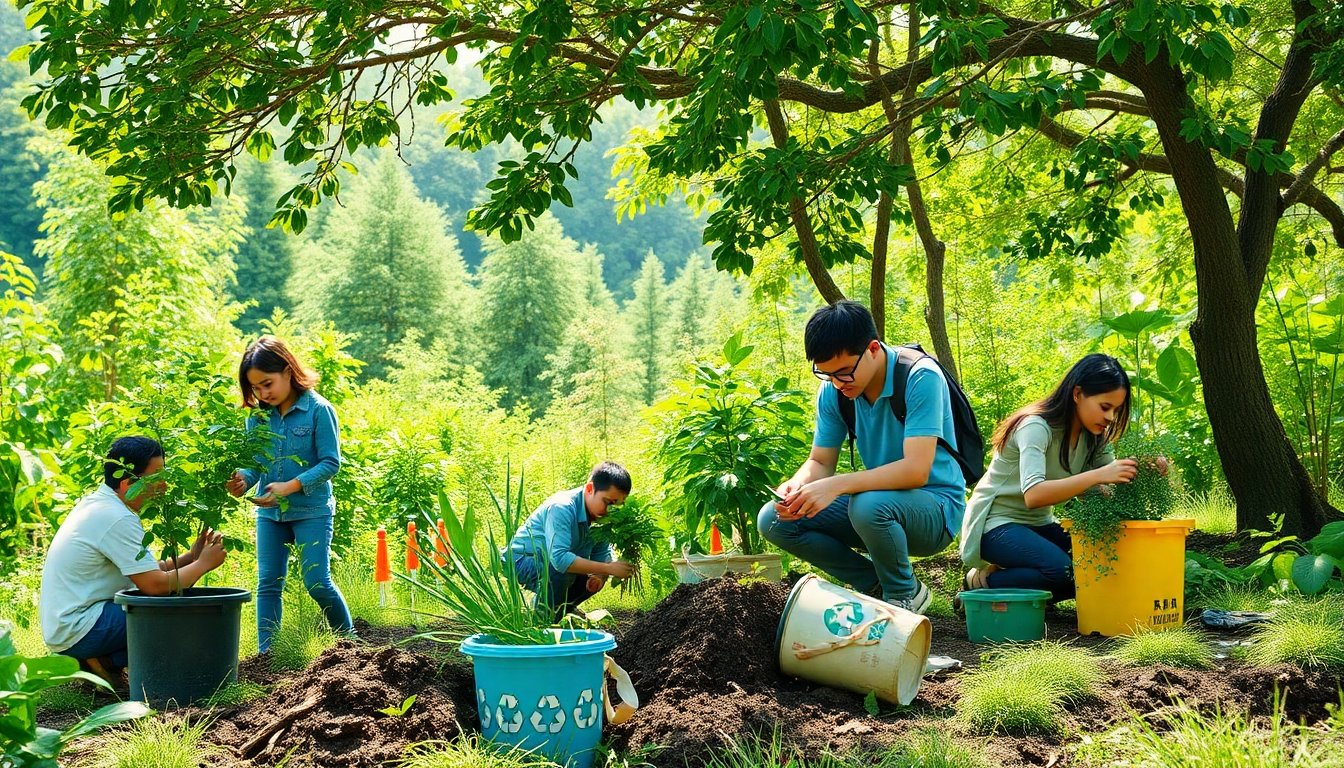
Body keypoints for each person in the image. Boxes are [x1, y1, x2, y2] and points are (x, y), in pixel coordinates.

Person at [759, 301, 967, 613]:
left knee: (867, 503)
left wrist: (837, 486)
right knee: (774, 520)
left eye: (844, 372)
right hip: (878, 507)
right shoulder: (835, 391)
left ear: (872, 348)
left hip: (935, 510)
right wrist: (796, 486)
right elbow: (820, 462)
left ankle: (903, 598)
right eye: (826, 374)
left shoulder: (920, 377)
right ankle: (878, 586)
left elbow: (916, 470)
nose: (837, 383)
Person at [40, 436, 227, 686]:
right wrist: (203, 564)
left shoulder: (102, 504)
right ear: (128, 483)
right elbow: (156, 586)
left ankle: (102, 660)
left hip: (74, 623)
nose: (165, 486)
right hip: (81, 627)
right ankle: (104, 658)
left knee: (167, 606)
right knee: (180, 614)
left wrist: (191, 557)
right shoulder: (115, 517)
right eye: (157, 477)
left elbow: (147, 572)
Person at [958, 354, 1137, 601]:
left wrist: (1144, 469)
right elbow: (1034, 494)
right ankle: (982, 587)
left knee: (1096, 565)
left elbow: (1110, 488)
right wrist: (1097, 476)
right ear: (1077, 394)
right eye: (1105, 407)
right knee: (1063, 571)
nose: (1110, 418)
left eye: (1116, 410)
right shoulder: (1035, 427)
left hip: (1039, 525)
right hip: (995, 524)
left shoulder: (1094, 437)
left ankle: (1014, 577)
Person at [226, 336, 353, 653]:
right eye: (255, 388)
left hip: (311, 511)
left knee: (317, 582)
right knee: (268, 583)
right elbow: (255, 464)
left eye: (267, 384)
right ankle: (267, 655)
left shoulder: (318, 410)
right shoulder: (258, 418)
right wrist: (243, 479)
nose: (262, 393)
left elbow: (330, 463)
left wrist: (291, 486)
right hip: (271, 515)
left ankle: (349, 644)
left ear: (287, 370)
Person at [506, 461, 637, 619]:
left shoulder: (601, 519)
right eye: (608, 502)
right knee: (563, 571)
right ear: (590, 489)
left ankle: (556, 615)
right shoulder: (562, 507)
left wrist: (599, 576)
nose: (611, 510)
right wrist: (608, 569)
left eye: (618, 506)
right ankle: (538, 618)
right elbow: (560, 560)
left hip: (551, 564)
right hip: (522, 560)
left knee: (585, 576)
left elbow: (602, 554)